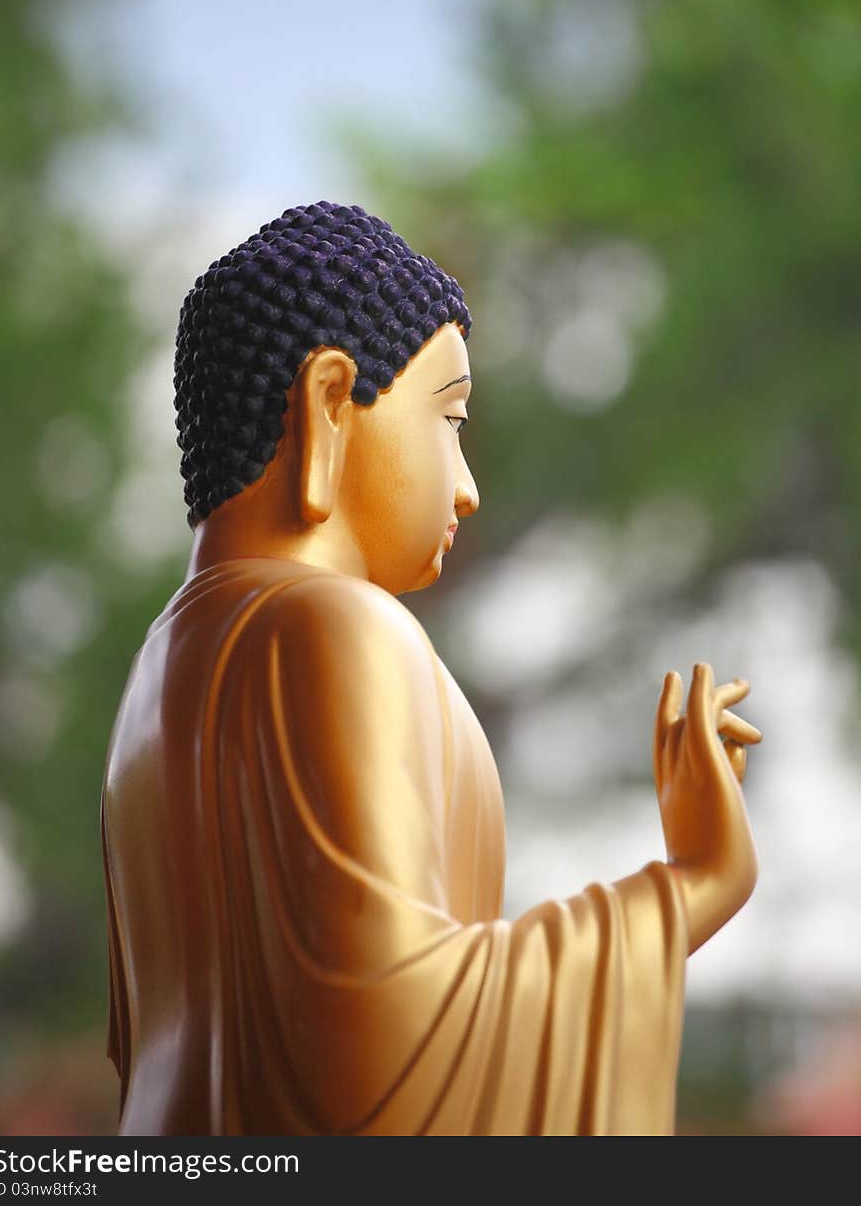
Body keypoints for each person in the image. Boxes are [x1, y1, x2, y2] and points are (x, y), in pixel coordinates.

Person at [101, 201, 760, 1135]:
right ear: (332, 401)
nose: (467, 484)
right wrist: (695, 884)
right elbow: (392, 1042)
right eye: (448, 417)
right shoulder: (333, 626)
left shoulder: (157, 673)